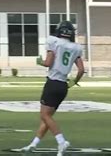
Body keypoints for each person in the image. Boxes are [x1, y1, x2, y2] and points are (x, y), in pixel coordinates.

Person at [21, 21, 85, 156]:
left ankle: (61, 141)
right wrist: (73, 83)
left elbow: (48, 62)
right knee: (47, 117)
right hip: (63, 86)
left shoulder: (53, 41)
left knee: (44, 115)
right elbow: (81, 70)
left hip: (52, 83)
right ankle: (34, 144)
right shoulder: (76, 47)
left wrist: (40, 62)